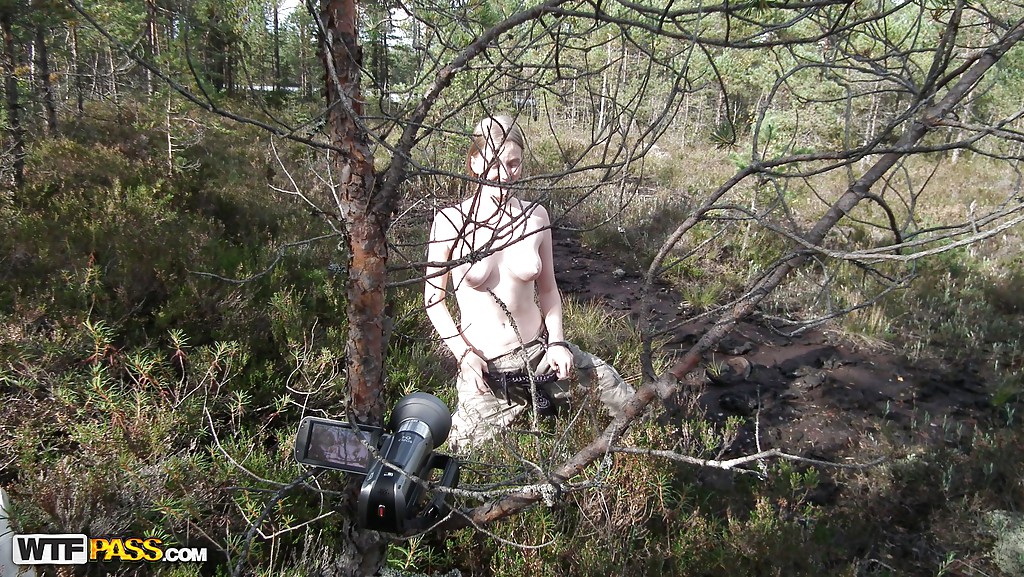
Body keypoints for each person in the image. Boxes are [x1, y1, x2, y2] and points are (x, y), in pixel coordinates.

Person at [424, 115, 635, 452]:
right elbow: (433, 301)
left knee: (626, 401)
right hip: (488, 370)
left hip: (541, 353)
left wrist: (558, 343)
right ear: (475, 163)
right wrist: (465, 356)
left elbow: (548, 290)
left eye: (513, 164)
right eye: (493, 164)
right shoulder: (450, 222)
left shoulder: (536, 216)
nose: (504, 174)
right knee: (458, 456)